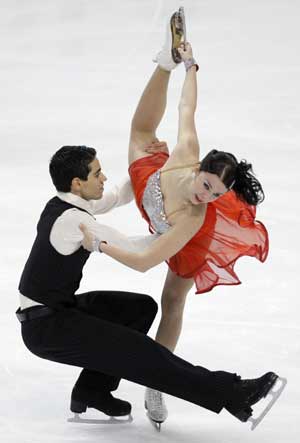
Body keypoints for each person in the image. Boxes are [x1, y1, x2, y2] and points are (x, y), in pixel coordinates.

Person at [79, 7, 269, 426]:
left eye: (217, 194)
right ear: (199, 167)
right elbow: (187, 108)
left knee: (171, 301)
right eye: (208, 185)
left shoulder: (195, 220)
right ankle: (164, 62)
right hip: (155, 184)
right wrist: (189, 66)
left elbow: (146, 262)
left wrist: (97, 237)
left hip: (180, 238)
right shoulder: (183, 153)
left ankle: (157, 384)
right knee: (141, 133)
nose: (208, 195)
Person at [16, 145, 285, 431]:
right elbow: (131, 248)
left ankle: (92, 391)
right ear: (77, 183)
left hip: (55, 311)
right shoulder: (74, 220)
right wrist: (177, 234)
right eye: (97, 173)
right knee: (142, 353)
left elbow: (117, 196)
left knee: (138, 309)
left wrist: (156, 171)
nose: (104, 177)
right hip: (46, 327)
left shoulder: (66, 203)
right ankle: (231, 393)